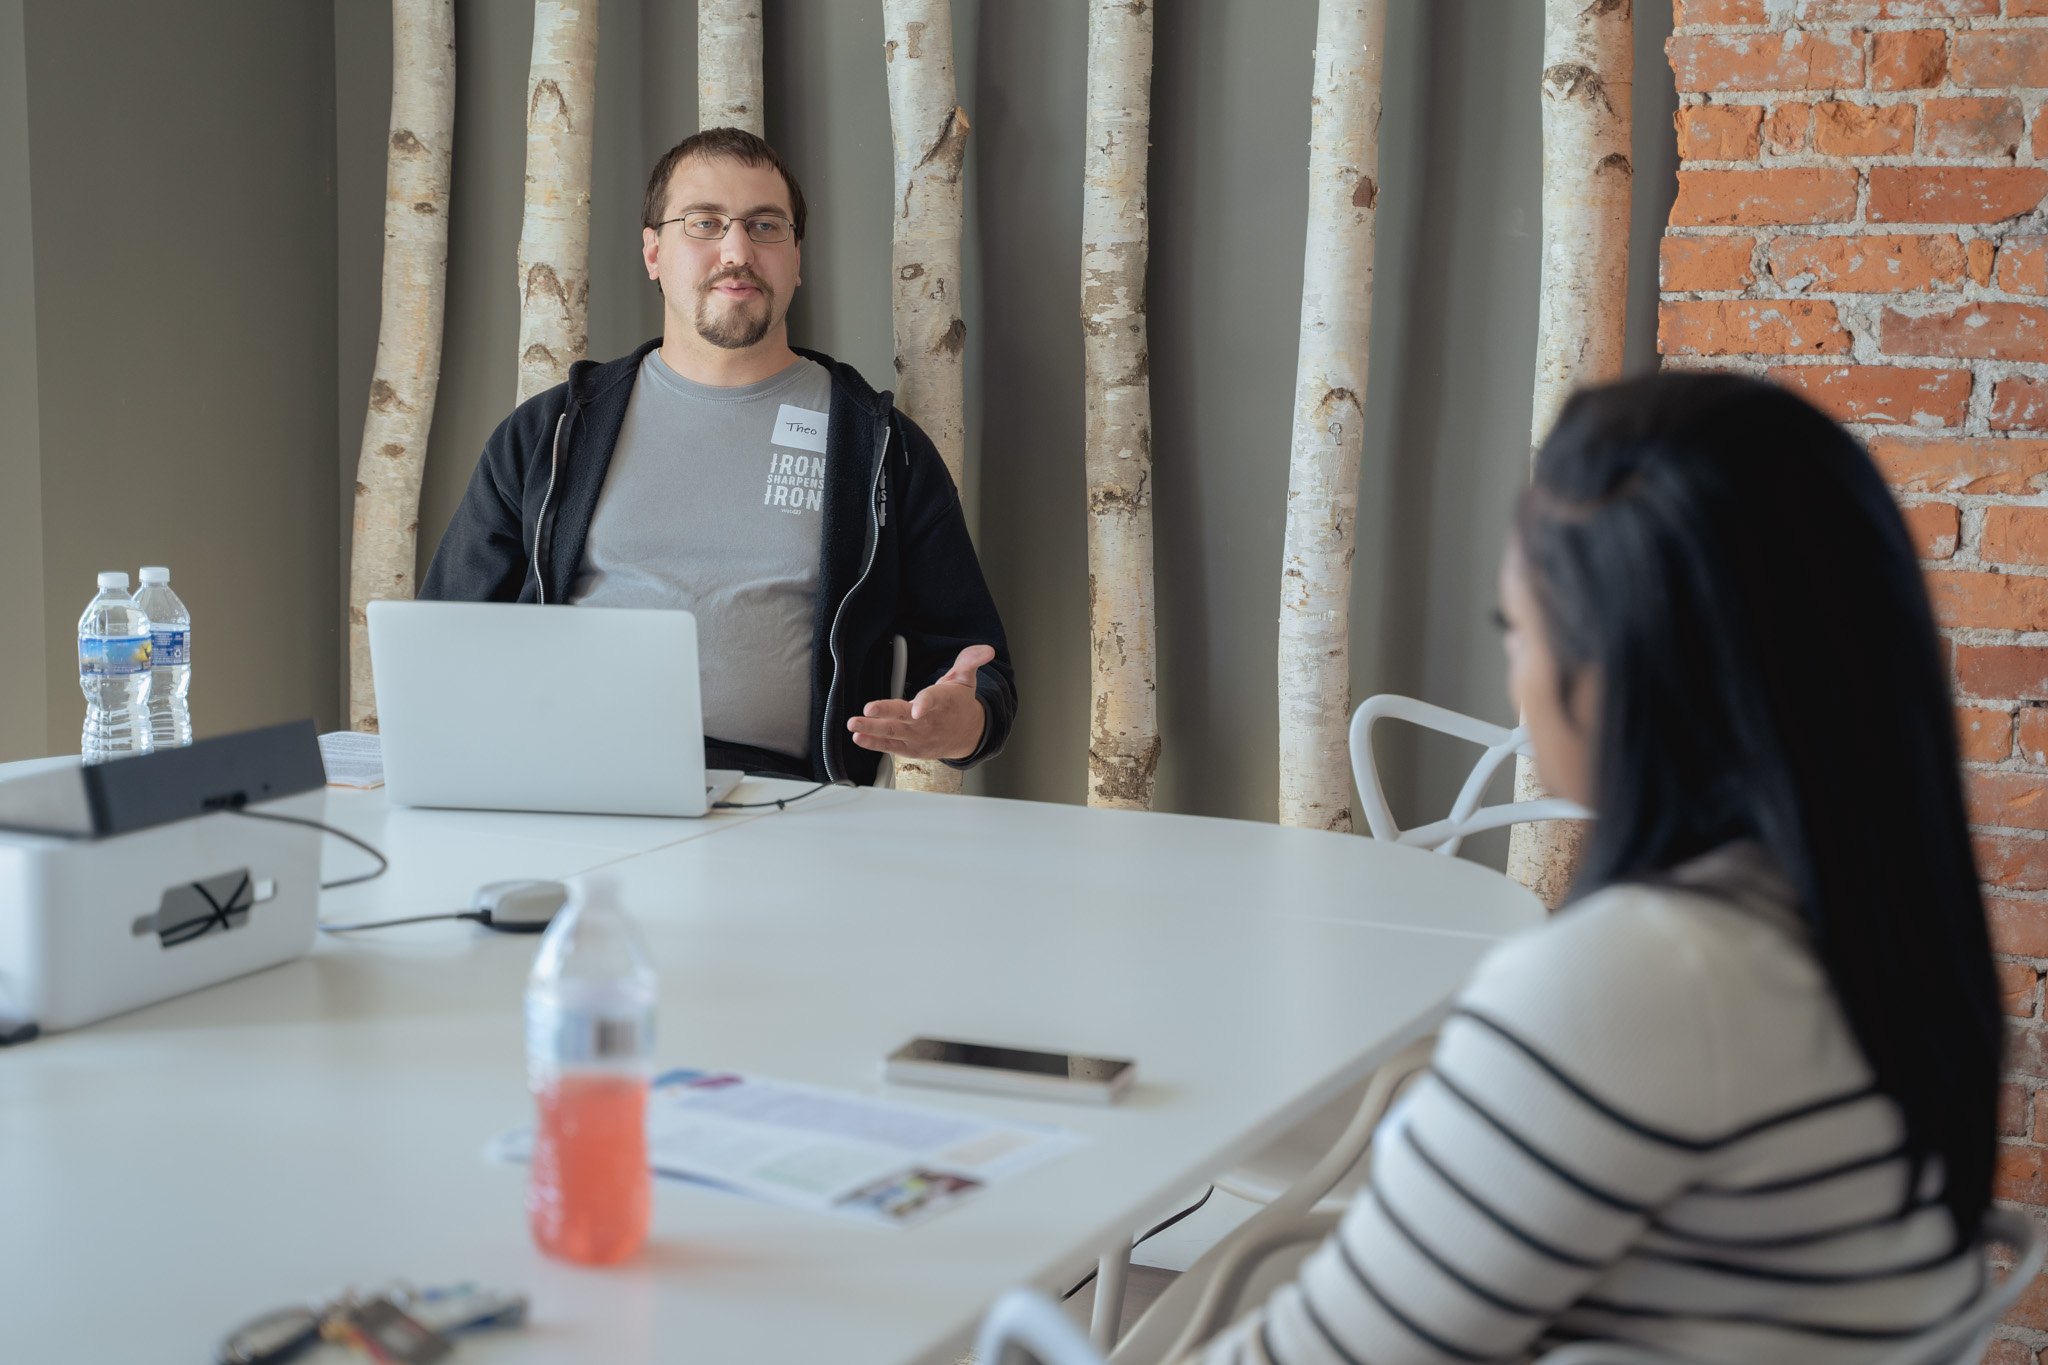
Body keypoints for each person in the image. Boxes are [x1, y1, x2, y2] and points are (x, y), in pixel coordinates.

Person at [1199, 373, 2002, 1364]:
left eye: (1517, 634)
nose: (1516, 682)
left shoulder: (1644, 979)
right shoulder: (1870, 930)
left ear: (1618, 671)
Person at [421, 128, 1014, 785]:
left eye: (765, 226)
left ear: (795, 257)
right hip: (570, 789)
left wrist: (963, 721)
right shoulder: (550, 435)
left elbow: (978, 669)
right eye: (704, 223)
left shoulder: (878, 448)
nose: (737, 250)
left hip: (788, 810)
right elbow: (443, 645)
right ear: (653, 251)